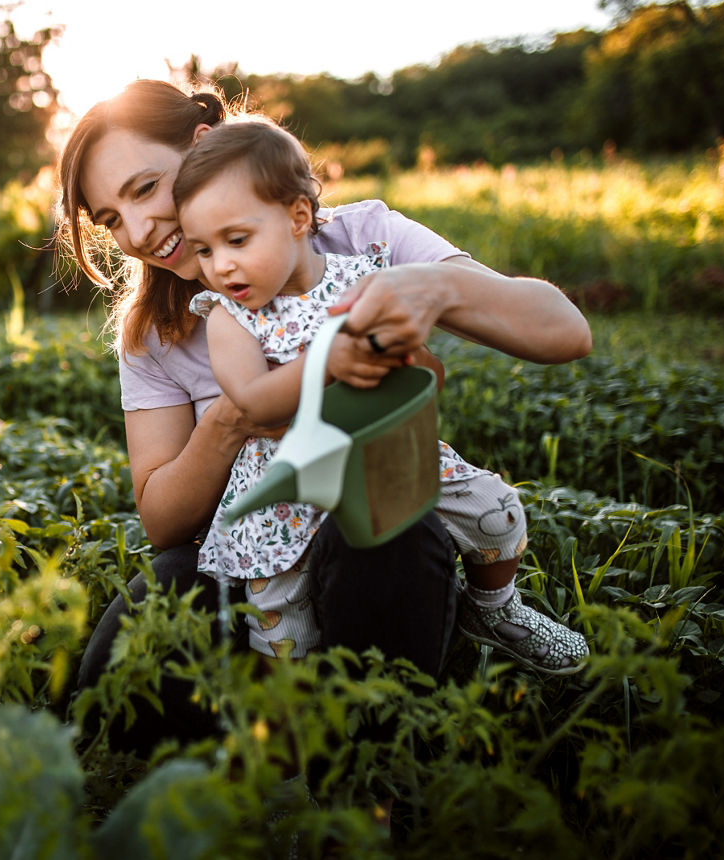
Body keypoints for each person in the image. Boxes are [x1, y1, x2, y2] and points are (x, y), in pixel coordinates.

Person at [57, 80, 593, 746]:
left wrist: (436, 285)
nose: (136, 231)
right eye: (108, 218)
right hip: (245, 555)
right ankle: (274, 733)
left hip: (362, 526)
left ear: (202, 148)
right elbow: (164, 518)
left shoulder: (358, 239)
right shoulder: (156, 331)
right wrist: (245, 410)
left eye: (143, 189)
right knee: (113, 691)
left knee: (387, 532)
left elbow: (565, 332)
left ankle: (375, 764)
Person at [171, 117, 587, 673]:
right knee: (281, 628)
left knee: (498, 515)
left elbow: (421, 369)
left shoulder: (366, 277)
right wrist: (324, 360)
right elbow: (250, 400)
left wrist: (410, 363)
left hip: (387, 454)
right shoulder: (230, 318)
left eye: (237, 240)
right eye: (203, 250)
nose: (220, 265)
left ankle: (492, 607)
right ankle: (293, 729)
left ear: (298, 217)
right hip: (292, 486)